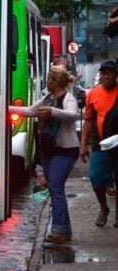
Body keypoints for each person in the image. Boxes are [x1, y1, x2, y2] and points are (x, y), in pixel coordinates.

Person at [9, 66, 79, 243]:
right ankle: (64, 228)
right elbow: (30, 111)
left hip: (65, 150)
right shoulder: (48, 98)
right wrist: (4, 107)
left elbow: (72, 115)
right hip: (49, 150)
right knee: (55, 189)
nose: (46, 81)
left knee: (55, 187)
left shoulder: (67, 98)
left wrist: (52, 111)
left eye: (48, 79)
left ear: (56, 82)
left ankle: (60, 230)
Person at [80, 60, 118, 227]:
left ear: (115, 75)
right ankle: (104, 208)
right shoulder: (93, 94)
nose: (106, 75)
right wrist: (83, 145)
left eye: (109, 72)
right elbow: (88, 121)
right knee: (96, 178)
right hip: (101, 143)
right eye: (103, 73)